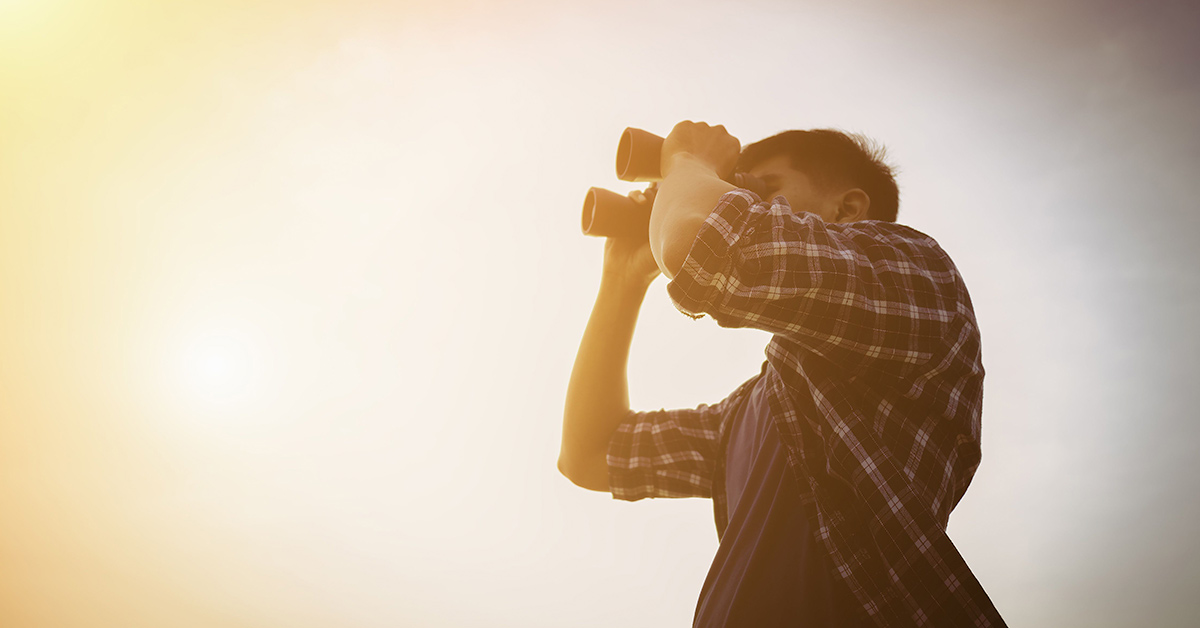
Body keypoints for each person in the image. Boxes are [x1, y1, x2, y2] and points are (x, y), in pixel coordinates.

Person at [558, 121, 1006, 627]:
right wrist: (621, 277)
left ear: (848, 210)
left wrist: (689, 161)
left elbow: (707, 250)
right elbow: (592, 454)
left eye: (763, 190)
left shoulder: (916, 275)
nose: (738, 202)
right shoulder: (755, 407)